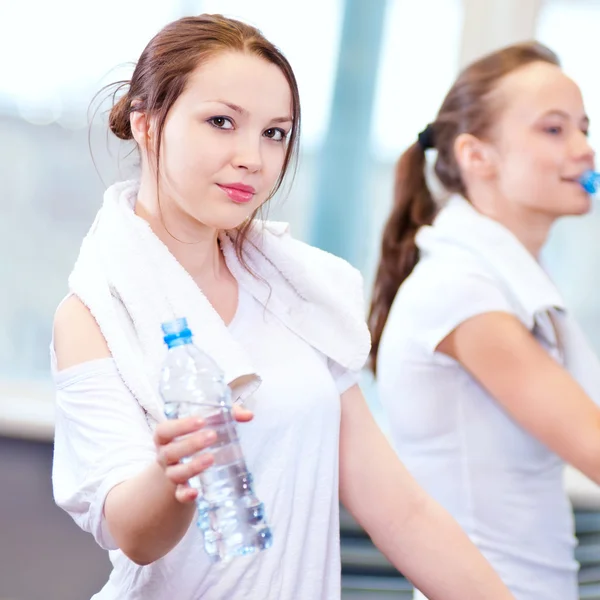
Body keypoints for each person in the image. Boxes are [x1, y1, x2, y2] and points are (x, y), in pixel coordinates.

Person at [51, 14, 515, 600]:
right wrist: (173, 474)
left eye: (275, 133)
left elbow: (403, 512)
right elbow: (132, 534)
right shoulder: (95, 311)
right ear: (146, 124)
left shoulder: (295, 289)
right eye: (221, 122)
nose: (253, 157)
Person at [369, 41, 600, 600]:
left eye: (584, 128)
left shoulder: (501, 283)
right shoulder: (464, 294)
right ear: (477, 156)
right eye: (553, 130)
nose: (584, 150)